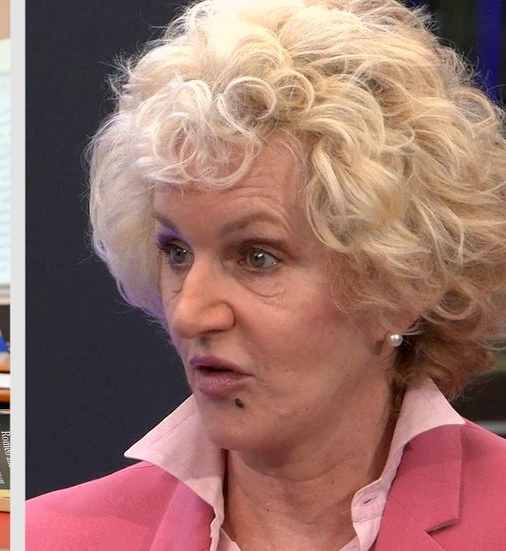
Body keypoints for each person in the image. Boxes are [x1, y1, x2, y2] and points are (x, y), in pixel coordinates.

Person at [27, 0, 506, 549]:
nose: (189, 313)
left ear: (402, 284)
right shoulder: (52, 535)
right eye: (176, 251)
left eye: (258, 257)